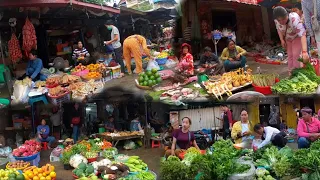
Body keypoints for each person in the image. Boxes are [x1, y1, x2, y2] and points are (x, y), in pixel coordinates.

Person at [273, 6, 309, 75]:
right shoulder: (276, 21)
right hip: (288, 38)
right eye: (279, 20)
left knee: (296, 55)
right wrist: (282, 40)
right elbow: (279, 30)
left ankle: (297, 74)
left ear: (287, 14)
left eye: (283, 19)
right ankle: (291, 73)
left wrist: (304, 52)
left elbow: (302, 34)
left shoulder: (294, 19)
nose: (281, 22)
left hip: (297, 37)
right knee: (290, 55)